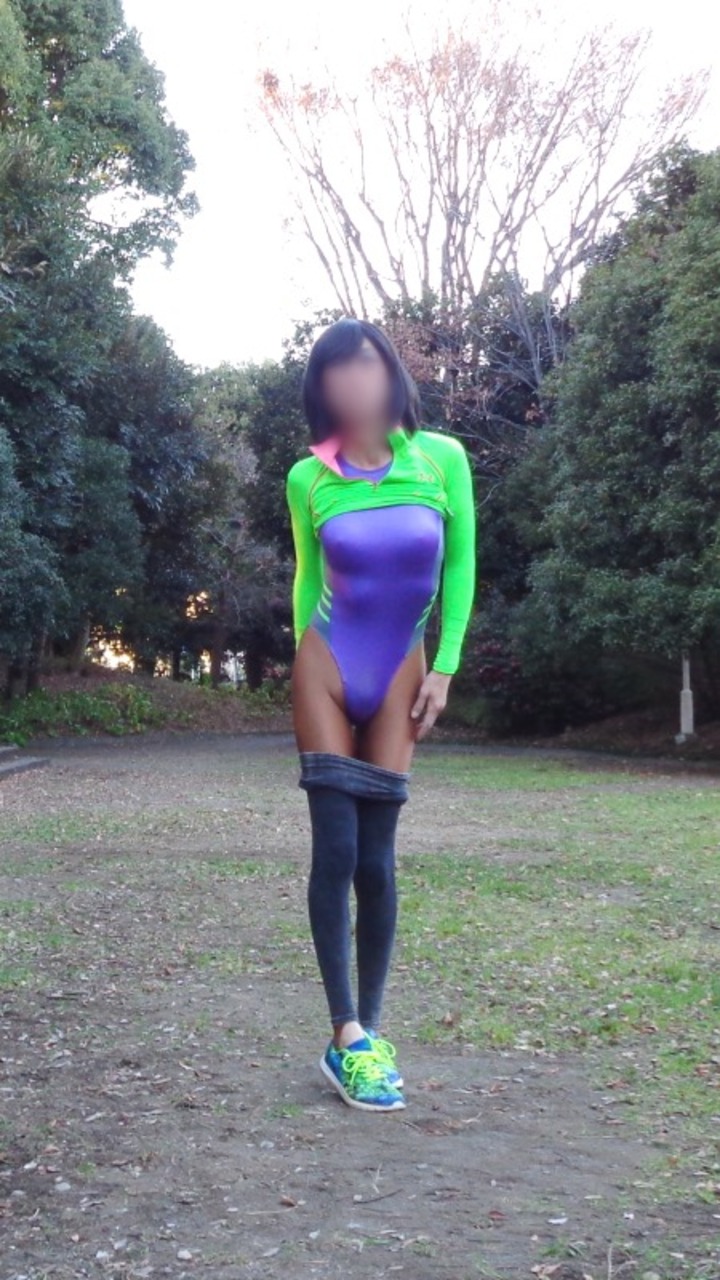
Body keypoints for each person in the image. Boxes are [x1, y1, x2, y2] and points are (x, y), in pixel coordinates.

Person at [286, 318, 476, 1113]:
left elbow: (461, 563)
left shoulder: (442, 459)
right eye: (338, 373)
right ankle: (347, 1035)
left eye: (366, 366)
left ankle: (370, 1031)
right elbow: (308, 578)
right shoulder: (308, 477)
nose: (355, 383)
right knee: (335, 849)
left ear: (392, 372)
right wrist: (298, 655)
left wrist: (446, 667)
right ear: (323, 391)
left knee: (377, 859)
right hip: (326, 666)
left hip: (403, 670)